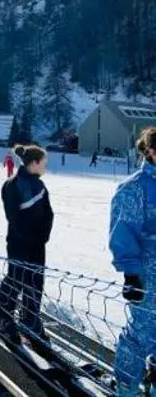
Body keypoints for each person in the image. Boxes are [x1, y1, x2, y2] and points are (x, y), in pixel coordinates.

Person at [110, 127, 156, 394]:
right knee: (142, 333)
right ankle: (126, 387)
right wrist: (131, 273)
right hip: (148, 275)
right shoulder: (133, 189)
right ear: (150, 151)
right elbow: (123, 231)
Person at [0, 145, 54, 348]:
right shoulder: (12, 185)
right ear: (35, 162)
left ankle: (30, 320)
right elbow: (14, 217)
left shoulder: (40, 186)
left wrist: (43, 237)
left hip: (38, 245)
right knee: (16, 278)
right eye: (44, 163)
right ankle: (4, 317)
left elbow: (49, 214)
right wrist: (29, 237)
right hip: (19, 242)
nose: (46, 167)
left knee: (35, 281)